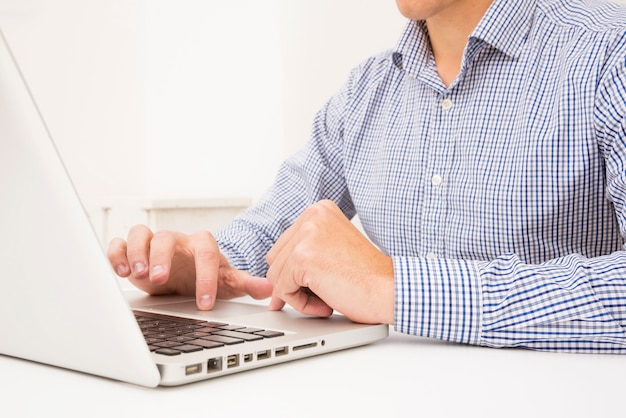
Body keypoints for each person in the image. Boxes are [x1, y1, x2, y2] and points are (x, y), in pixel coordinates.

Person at [108, 0, 626, 353]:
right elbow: (268, 235)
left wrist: (395, 288)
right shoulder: (368, 89)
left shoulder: (610, 51)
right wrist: (195, 266)